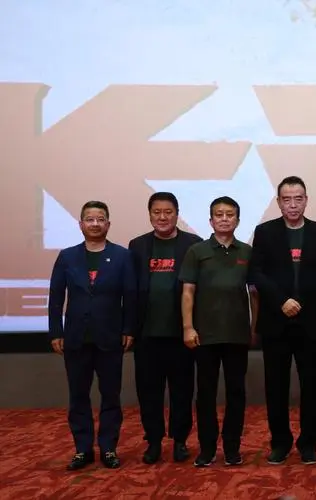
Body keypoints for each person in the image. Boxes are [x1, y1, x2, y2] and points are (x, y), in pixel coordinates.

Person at [250, 176, 316, 465]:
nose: (293, 204)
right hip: (276, 321)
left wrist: (303, 302)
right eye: (287, 199)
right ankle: (280, 442)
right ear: (278, 202)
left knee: (313, 386)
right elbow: (256, 273)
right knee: (276, 386)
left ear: (306, 200)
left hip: (310, 322)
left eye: (298, 198)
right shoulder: (264, 232)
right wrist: (281, 300)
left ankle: (309, 442)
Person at [48, 200, 136, 470]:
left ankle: (109, 448)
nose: (95, 224)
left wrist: (129, 329)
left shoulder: (122, 256)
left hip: (110, 337)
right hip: (76, 338)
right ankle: (82, 449)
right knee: (78, 396)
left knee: (110, 395)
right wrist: (55, 331)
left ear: (108, 224)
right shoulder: (67, 256)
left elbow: (130, 297)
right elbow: (55, 298)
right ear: (81, 224)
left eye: (100, 219)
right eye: (90, 219)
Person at [179, 196, 257, 467]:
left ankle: (232, 448)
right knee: (206, 394)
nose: (224, 219)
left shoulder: (247, 252)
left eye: (230, 214)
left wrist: (254, 327)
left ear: (237, 220)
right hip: (204, 335)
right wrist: (188, 327)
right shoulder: (197, 251)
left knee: (236, 392)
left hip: (237, 334)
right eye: (219, 215)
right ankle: (207, 448)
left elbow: (254, 294)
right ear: (211, 220)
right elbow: (188, 292)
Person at [129, 192, 202, 464]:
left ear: (177, 214)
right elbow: (130, 290)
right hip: (146, 334)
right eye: (157, 212)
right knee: (149, 391)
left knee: (182, 390)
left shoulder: (192, 244)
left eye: (168, 212)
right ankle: (154, 441)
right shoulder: (137, 246)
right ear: (150, 214)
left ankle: (180, 440)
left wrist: (193, 326)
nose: (162, 217)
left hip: (181, 333)